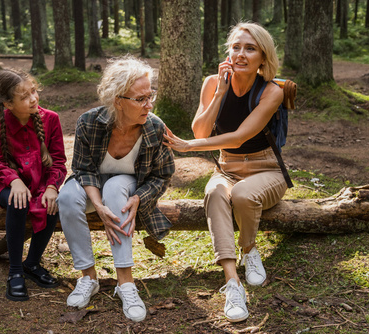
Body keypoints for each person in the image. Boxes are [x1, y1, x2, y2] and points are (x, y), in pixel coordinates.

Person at [164, 22, 287, 322]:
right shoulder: (211, 82)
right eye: (235, 47)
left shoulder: (272, 91)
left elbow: (240, 136)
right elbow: (201, 128)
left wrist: (189, 147)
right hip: (227, 167)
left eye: (250, 48)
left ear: (263, 57)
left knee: (244, 195)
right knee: (214, 191)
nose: (240, 54)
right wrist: (219, 93)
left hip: (267, 168)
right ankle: (232, 282)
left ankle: (250, 250)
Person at [58, 55, 175, 322]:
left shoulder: (155, 127)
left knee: (115, 187)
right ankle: (88, 277)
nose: (149, 104)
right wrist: (97, 206)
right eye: (140, 99)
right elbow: (83, 169)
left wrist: (138, 198)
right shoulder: (89, 122)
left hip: (128, 185)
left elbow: (163, 175)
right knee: (66, 196)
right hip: (93, 184)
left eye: (150, 95)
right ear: (117, 101)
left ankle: (126, 283)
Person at [0, 69, 67, 302]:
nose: (33, 98)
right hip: (4, 182)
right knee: (18, 200)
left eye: (33, 91)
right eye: (24, 97)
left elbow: (59, 161)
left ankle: (31, 263)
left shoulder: (51, 118)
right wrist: (15, 182)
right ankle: (15, 273)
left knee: (51, 203)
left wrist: (52, 187)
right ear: (8, 104)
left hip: (39, 181)